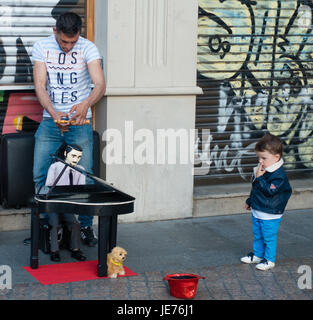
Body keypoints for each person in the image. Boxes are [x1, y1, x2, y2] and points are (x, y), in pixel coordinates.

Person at [32, 12, 106, 246]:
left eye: (73, 42)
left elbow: (100, 84)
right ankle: (47, 227)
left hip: (79, 123)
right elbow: (40, 85)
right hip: (50, 121)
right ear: (55, 32)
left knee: (83, 175)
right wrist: (53, 114)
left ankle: (84, 227)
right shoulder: (41, 47)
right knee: (40, 174)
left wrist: (86, 105)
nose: (68, 46)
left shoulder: (88, 48)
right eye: (64, 42)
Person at [241, 133, 292, 271]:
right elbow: (256, 187)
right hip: (258, 209)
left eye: (264, 158)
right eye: (258, 157)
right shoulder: (263, 170)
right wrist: (250, 200)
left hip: (270, 212)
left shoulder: (279, 175)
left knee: (268, 237)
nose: (260, 161)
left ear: (277, 157)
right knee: (257, 234)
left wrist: (260, 178)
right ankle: (258, 255)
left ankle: (269, 259)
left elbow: (269, 191)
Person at [45, 144, 86, 262]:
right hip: (54, 203)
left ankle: (75, 249)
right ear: (65, 154)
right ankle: (54, 251)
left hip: (68, 204)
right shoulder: (55, 167)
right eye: (73, 155)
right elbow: (48, 185)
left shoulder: (80, 170)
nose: (75, 159)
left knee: (75, 224)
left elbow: (80, 189)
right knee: (54, 223)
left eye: (79, 157)